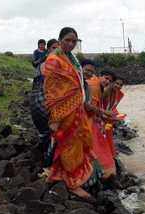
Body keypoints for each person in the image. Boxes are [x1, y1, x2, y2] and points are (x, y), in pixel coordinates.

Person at [42, 27, 101, 198]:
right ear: (60, 40)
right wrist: (55, 116)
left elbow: (78, 84)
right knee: (68, 145)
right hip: (63, 111)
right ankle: (73, 183)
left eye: (74, 41)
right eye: (67, 40)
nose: (71, 43)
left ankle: (59, 174)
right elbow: (51, 90)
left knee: (78, 141)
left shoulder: (72, 58)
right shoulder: (54, 60)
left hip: (77, 109)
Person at [83, 62, 117, 179]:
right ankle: (99, 173)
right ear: (100, 75)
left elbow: (94, 106)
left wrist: (102, 116)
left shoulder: (98, 86)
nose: (107, 81)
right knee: (97, 147)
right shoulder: (94, 85)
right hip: (85, 121)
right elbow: (86, 106)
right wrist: (104, 113)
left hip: (91, 119)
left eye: (109, 81)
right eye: (106, 78)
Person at [30, 39, 59, 169]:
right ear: (48, 49)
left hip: (37, 103)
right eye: (54, 48)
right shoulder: (48, 64)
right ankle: (49, 166)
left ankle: (44, 163)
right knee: (51, 133)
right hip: (43, 103)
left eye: (59, 48)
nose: (57, 51)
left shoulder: (45, 63)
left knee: (45, 135)